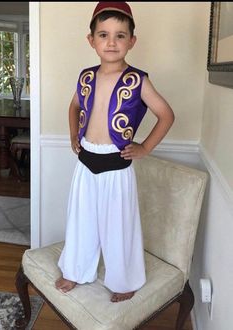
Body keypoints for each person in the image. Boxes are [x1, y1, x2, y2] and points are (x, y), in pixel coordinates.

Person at [56, 1, 175, 303]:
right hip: (86, 162)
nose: (111, 42)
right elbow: (73, 106)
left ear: (132, 41)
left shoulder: (138, 80)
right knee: (81, 220)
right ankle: (75, 270)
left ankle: (125, 280)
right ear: (91, 40)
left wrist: (145, 147)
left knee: (118, 227)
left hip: (117, 164)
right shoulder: (86, 76)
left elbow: (166, 114)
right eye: (103, 34)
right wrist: (73, 134)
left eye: (120, 35)